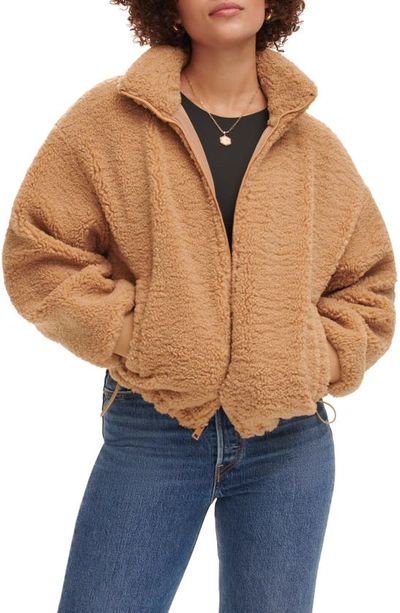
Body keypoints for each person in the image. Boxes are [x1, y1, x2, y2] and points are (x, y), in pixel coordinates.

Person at [2, 0, 397, 611]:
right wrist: (137, 336)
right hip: (155, 425)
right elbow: (39, 254)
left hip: (289, 440)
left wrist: (312, 359)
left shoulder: (316, 148)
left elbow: (369, 283)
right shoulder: (109, 121)